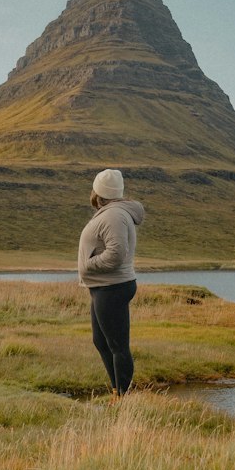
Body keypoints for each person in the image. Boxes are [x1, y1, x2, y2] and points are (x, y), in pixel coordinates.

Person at [77, 168, 145, 397]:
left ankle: (123, 398)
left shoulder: (114, 215)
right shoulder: (110, 212)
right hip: (104, 286)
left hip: (112, 287)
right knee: (102, 341)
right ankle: (117, 391)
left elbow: (116, 254)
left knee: (117, 346)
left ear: (98, 191)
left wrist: (88, 264)